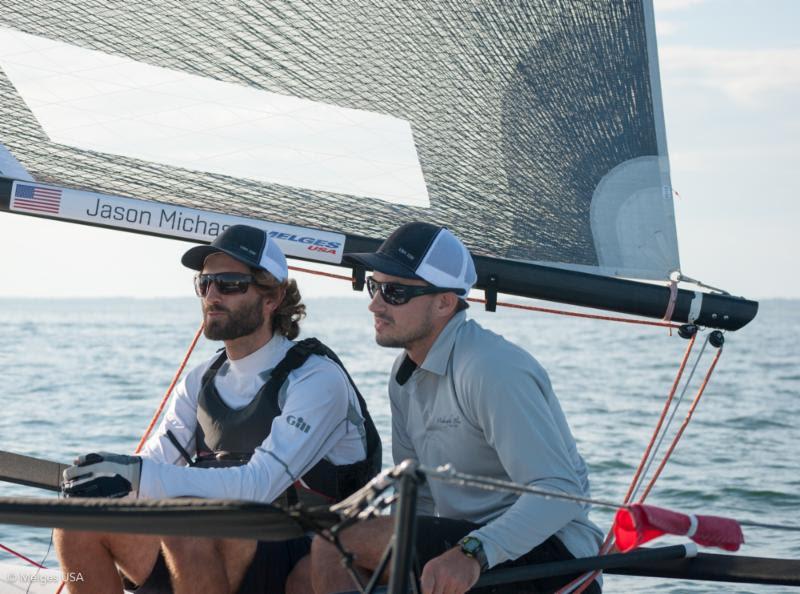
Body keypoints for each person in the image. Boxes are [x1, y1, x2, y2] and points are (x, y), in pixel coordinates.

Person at [55, 224, 381, 594]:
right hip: (212, 536)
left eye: (229, 284)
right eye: (204, 283)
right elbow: (154, 463)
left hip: (305, 547)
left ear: (272, 297)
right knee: (75, 525)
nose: (212, 295)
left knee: (189, 528)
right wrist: (102, 480)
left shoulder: (317, 380)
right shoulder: (201, 380)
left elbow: (257, 486)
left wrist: (134, 476)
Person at [310, 222, 603, 594]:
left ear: (444, 303)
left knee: (336, 543)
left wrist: (472, 552)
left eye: (394, 292)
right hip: (471, 546)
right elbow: (419, 497)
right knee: (308, 567)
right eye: (374, 285)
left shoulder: (490, 367)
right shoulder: (404, 376)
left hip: (553, 558)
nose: (375, 303)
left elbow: (560, 493)